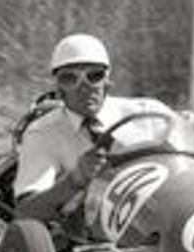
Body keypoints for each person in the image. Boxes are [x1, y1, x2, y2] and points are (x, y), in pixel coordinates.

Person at [13, 33, 175, 223]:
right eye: (70, 78)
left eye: (94, 76)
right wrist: (74, 181)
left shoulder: (149, 113)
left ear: (107, 82)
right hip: (90, 240)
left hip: (163, 219)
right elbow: (26, 210)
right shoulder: (41, 134)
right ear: (59, 88)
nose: (85, 87)